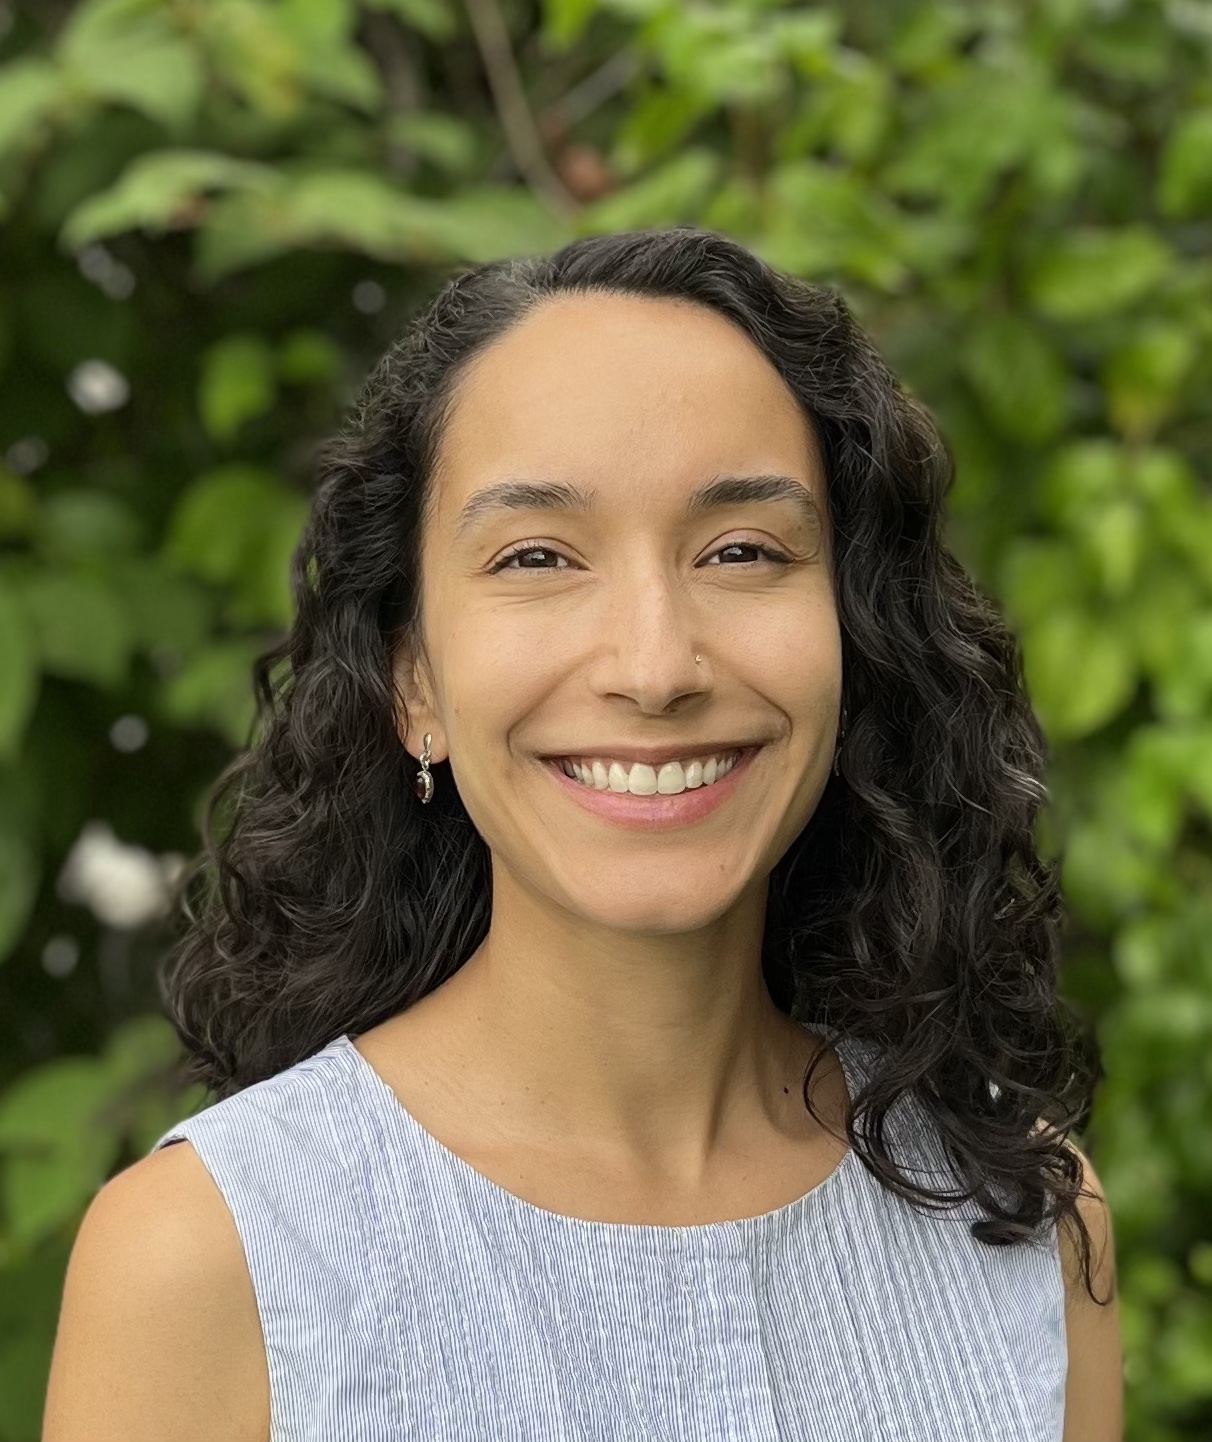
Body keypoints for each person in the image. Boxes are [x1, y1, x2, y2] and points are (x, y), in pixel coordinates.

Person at [43, 226, 1121, 1442]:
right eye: (538, 555)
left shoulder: (1021, 1216)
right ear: (413, 680)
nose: (655, 666)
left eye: (742, 550)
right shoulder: (212, 1255)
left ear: (855, 641)